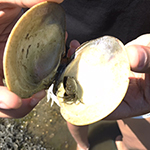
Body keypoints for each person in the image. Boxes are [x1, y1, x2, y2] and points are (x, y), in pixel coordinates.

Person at [1, 0, 150, 149]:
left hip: (137, 46)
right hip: (65, 50)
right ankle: (83, 144)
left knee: (136, 132)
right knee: (74, 115)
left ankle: (120, 145)